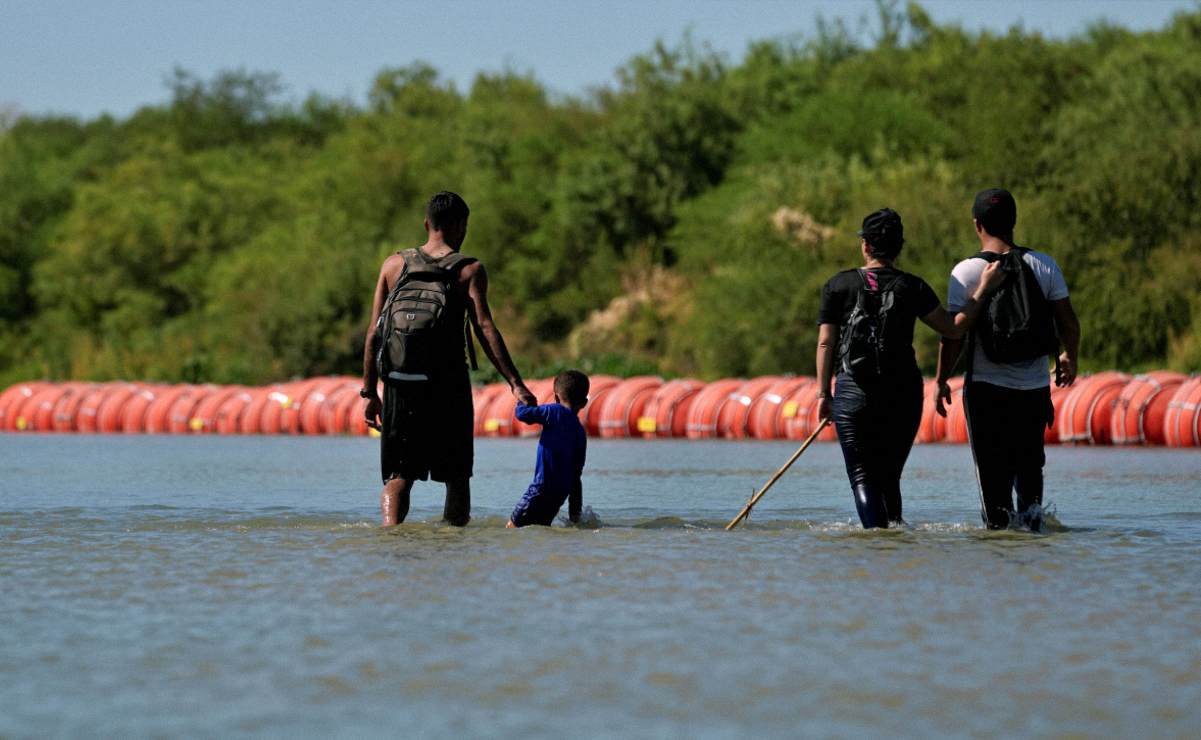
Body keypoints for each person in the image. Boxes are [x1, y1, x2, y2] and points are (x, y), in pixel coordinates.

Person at [816, 208, 1002, 529]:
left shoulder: (838, 286)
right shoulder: (912, 287)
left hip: (853, 393)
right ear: (899, 247)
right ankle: (894, 543)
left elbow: (825, 344)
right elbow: (953, 329)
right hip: (903, 395)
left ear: (865, 245)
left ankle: (876, 541)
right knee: (889, 476)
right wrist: (983, 288)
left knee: (863, 476)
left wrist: (823, 394)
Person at [362, 191, 537, 527]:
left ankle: (390, 536)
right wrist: (516, 384)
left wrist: (369, 393)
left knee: (398, 475)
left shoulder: (394, 265)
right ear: (461, 226)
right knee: (456, 477)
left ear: (427, 224)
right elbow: (485, 329)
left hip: (399, 384)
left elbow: (373, 333)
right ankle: (453, 544)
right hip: (448, 387)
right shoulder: (469, 270)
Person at [935, 188, 1080, 531]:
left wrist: (941, 380)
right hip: (1032, 389)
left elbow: (954, 335)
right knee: (1030, 475)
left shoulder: (968, 271)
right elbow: (1069, 324)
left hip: (987, 390)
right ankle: (1033, 543)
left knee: (993, 484)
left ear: (977, 225)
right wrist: (1068, 357)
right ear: (1014, 222)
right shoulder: (1044, 265)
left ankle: (1000, 556)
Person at [507, 370, 589, 528]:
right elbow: (576, 477)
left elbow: (523, 415)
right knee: (541, 530)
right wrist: (575, 516)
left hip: (540, 490)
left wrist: (521, 399)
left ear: (556, 397)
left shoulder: (554, 411)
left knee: (511, 530)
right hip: (559, 496)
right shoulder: (580, 432)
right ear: (584, 403)